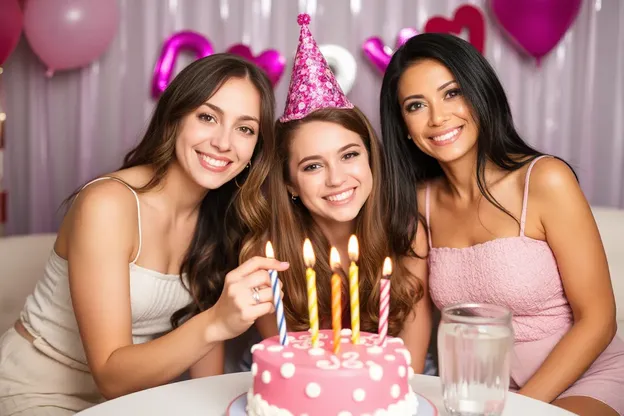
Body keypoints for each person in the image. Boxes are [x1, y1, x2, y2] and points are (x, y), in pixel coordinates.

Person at [0, 54, 289, 415]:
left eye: (245, 129)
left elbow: (203, 365)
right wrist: (217, 321)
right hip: (37, 392)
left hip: (132, 403)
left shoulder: (225, 218)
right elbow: (110, 375)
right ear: (174, 117)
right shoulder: (107, 204)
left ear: (255, 151)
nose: (223, 142)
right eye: (207, 117)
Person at [380, 32, 624, 415]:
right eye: (415, 105)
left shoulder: (545, 180)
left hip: (587, 378)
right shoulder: (418, 204)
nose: (438, 117)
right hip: (479, 392)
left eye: (452, 93)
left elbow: (598, 319)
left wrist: (516, 409)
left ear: (480, 94)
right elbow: (414, 326)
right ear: (404, 126)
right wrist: (400, 403)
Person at [254, 14, 432, 373]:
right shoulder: (268, 249)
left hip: (395, 384)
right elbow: (286, 363)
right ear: (289, 181)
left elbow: (410, 359)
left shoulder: (406, 231)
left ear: (371, 158)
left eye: (349, 155)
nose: (337, 179)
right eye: (312, 166)